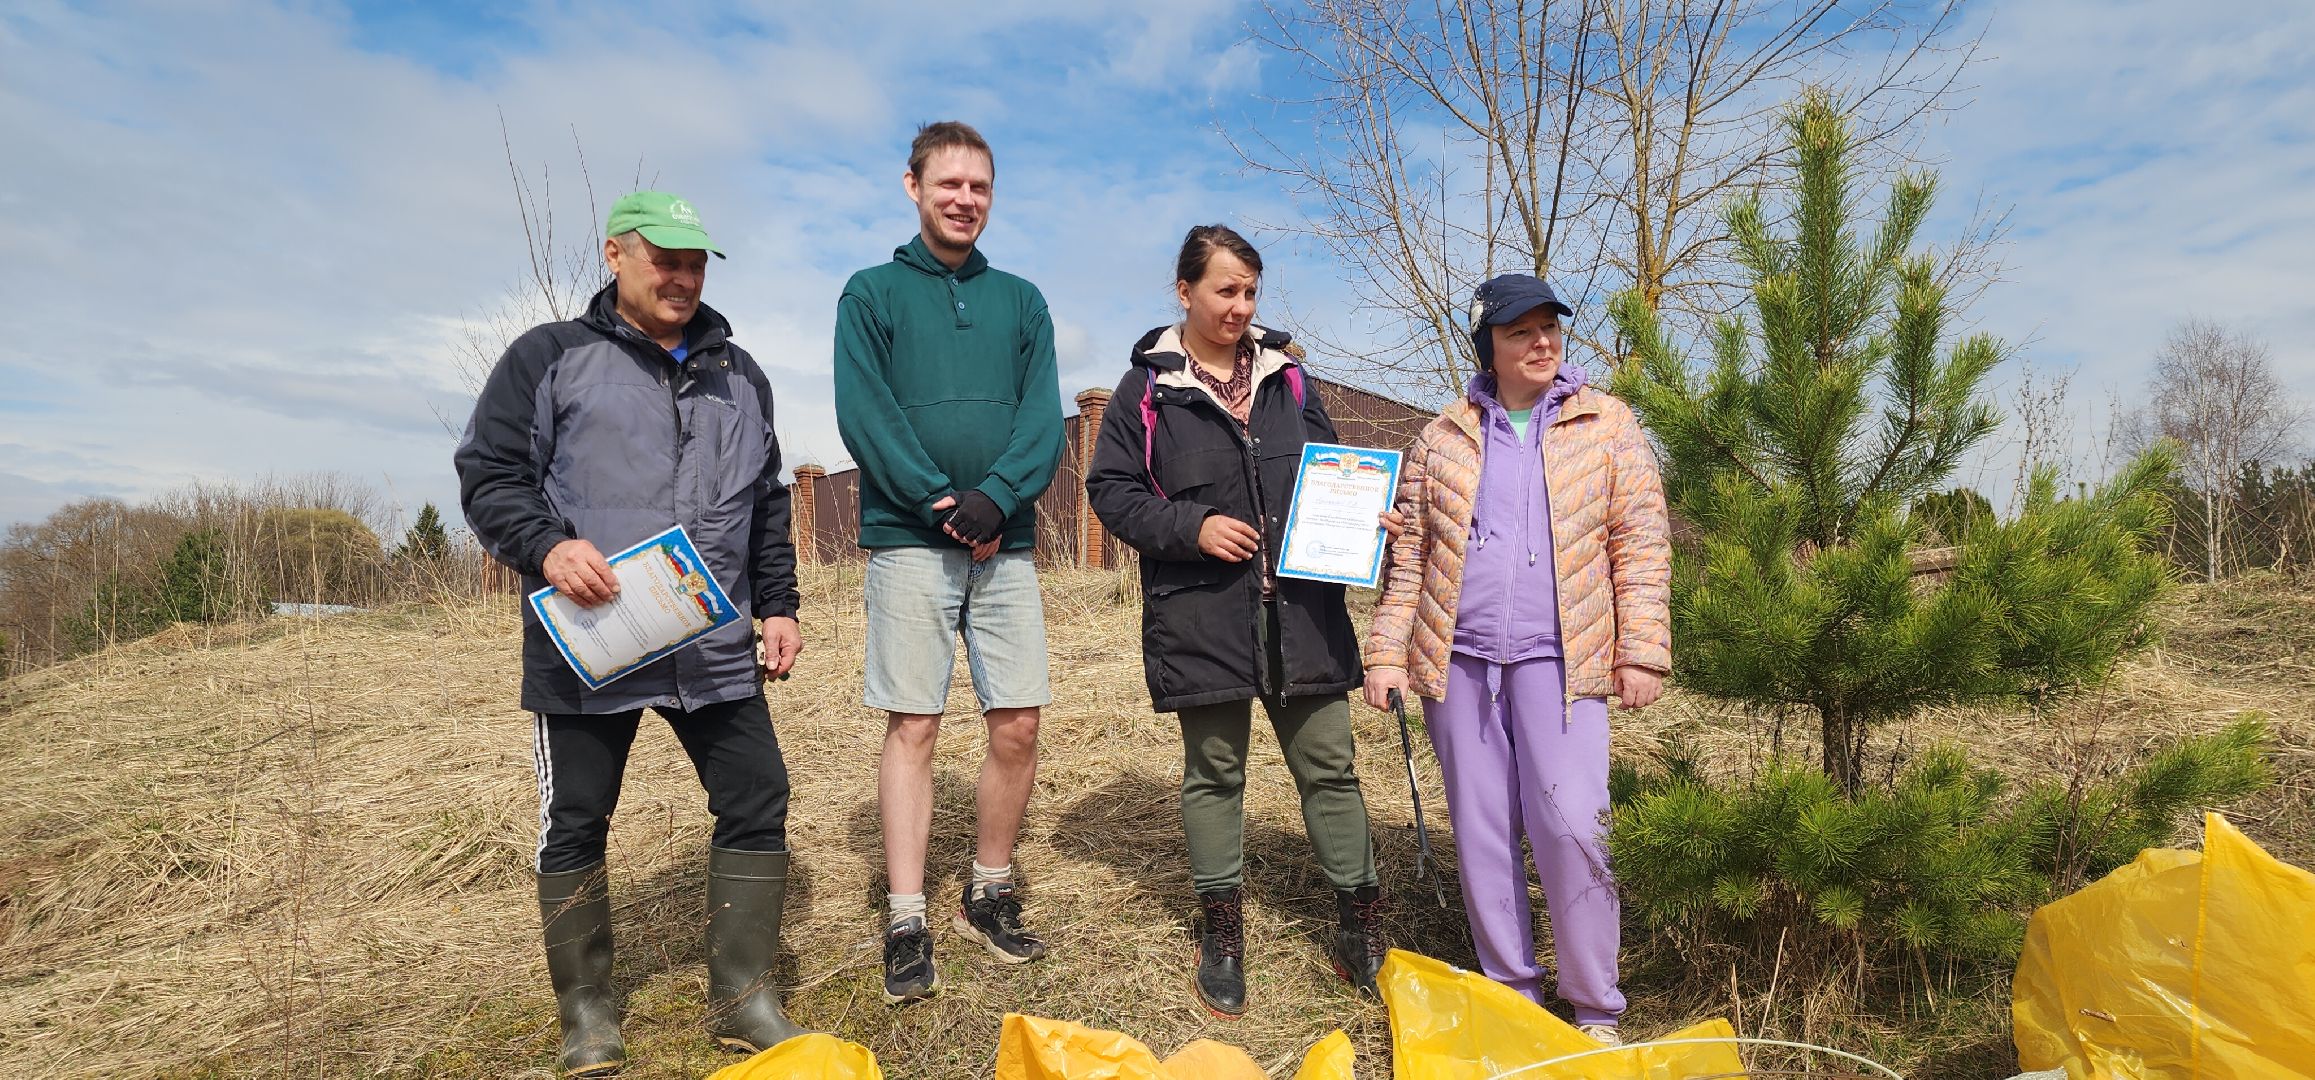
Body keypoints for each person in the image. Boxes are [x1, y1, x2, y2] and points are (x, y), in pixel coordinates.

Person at [455, 191, 807, 1076]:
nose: (682, 276)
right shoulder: (548, 357)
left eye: (695, 263)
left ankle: (740, 998)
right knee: (575, 820)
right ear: (615, 254)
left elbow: (768, 504)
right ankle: (587, 1014)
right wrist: (546, 547)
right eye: (665, 259)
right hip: (591, 642)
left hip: (710, 643)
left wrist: (778, 604)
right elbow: (489, 474)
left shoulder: (742, 375)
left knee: (757, 795)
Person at [1084, 224, 1387, 1018]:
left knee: (1329, 767)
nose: (1239, 307)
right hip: (1204, 618)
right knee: (1215, 775)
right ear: (1183, 292)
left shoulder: (1289, 380)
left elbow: (1328, 471)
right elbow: (1111, 491)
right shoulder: (1144, 391)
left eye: (1250, 291)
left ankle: (1361, 924)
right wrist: (1192, 529)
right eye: (1224, 290)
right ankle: (1221, 932)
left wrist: (1363, 516)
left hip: (1304, 616)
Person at [1361, 273, 1670, 1046]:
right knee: (1483, 830)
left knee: (1571, 825)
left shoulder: (1607, 425)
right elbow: (1413, 559)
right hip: (1456, 664)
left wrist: (1642, 652)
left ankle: (1595, 1006)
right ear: (1487, 345)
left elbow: (1640, 544)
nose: (1540, 342)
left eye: (1548, 328)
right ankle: (1512, 997)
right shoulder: (1441, 436)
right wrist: (1385, 652)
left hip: (1562, 665)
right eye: (1518, 331)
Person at [833, 121, 1065, 1004]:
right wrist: (939, 499)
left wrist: (997, 498)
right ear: (913, 186)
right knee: (915, 726)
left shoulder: (1022, 300)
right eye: (949, 184)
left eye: (979, 187)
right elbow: (866, 413)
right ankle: (905, 914)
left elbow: (1043, 419)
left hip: (1003, 546)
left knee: (1017, 724)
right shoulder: (871, 293)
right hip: (908, 542)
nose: (964, 199)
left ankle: (987, 891)